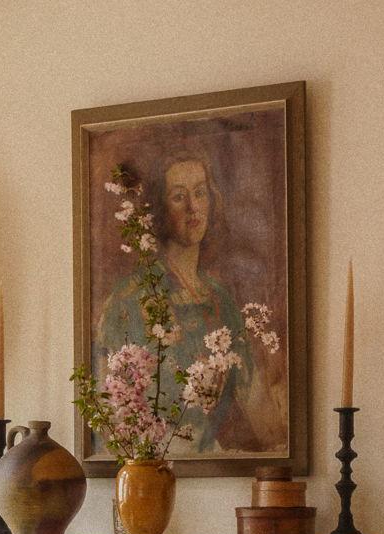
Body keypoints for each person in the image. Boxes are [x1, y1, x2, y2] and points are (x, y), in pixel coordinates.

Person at [96, 150, 285, 454]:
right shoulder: (128, 300)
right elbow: (107, 420)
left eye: (200, 193)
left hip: (210, 463)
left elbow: (257, 404)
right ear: (159, 207)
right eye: (178, 197)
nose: (193, 207)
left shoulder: (220, 300)